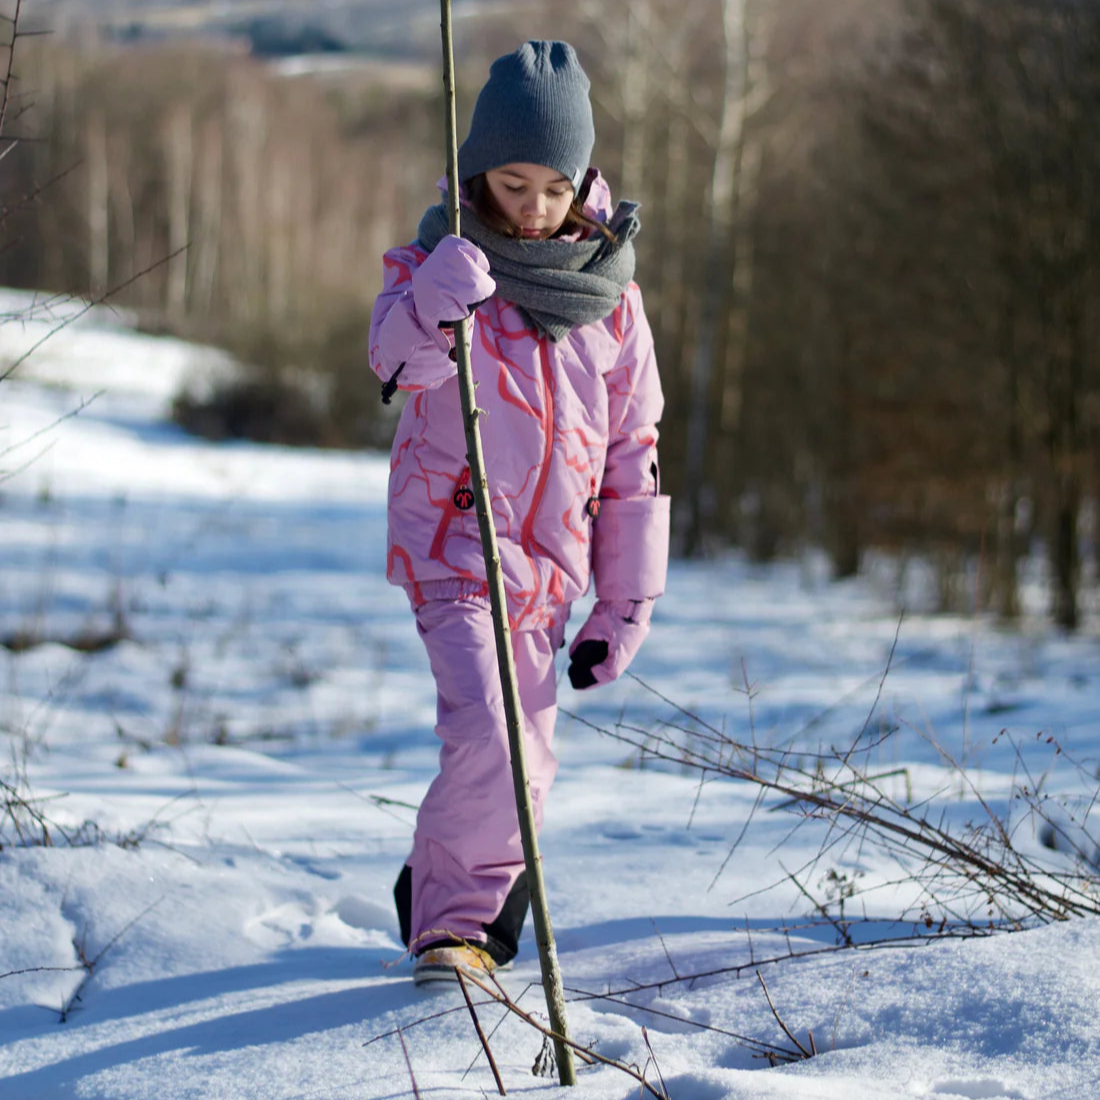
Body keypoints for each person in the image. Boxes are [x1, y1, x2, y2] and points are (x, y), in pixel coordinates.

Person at [368, 40, 670, 986]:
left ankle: (448, 887)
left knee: (529, 766)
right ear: (476, 171)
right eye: (511, 182)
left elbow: (633, 458)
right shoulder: (440, 260)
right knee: (494, 736)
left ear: (582, 178)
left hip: (551, 574)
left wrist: (625, 606)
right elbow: (393, 363)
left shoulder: (611, 299)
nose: (533, 207)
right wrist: (430, 305)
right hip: (455, 547)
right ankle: (454, 931)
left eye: (553, 186)